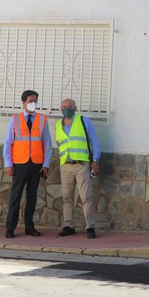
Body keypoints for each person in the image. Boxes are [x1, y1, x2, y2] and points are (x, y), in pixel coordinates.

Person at [3, 90, 52, 238]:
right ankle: (10, 227)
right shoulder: (15, 119)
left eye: (35, 101)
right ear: (23, 103)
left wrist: (46, 164)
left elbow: (47, 144)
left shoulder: (42, 120)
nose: (33, 104)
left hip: (36, 164)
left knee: (32, 197)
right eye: (30, 101)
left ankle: (29, 227)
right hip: (19, 163)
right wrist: (8, 164)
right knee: (15, 196)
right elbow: (8, 143)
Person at [55, 97, 101, 239]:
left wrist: (96, 160)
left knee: (86, 197)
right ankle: (69, 225)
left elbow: (94, 140)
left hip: (81, 164)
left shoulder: (83, 120)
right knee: (67, 198)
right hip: (66, 166)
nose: (66, 109)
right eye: (63, 107)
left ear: (75, 107)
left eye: (69, 106)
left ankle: (90, 227)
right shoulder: (58, 125)